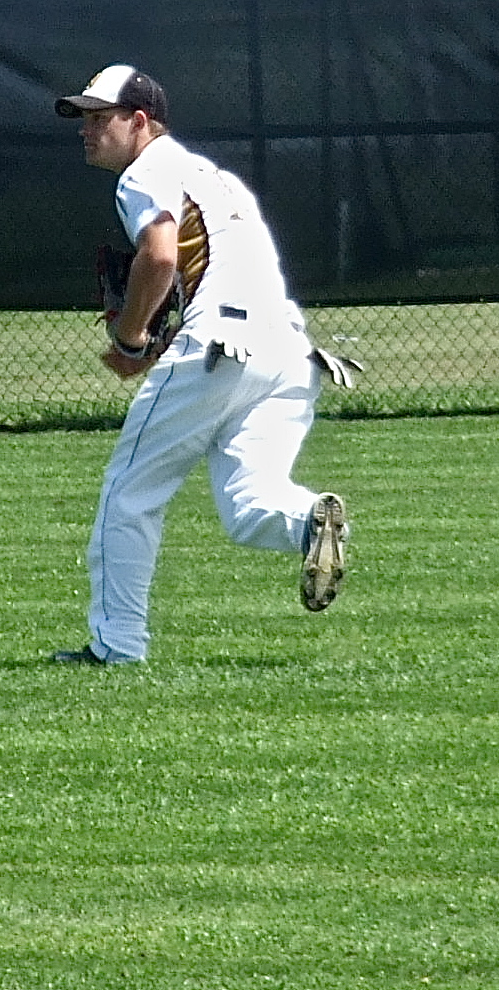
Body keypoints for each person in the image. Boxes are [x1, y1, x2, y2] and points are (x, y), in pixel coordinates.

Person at [50, 64, 349, 666]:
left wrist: (131, 339)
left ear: (139, 121)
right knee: (251, 501)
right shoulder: (217, 179)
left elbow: (160, 256)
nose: (86, 129)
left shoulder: (145, 172)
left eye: (99, 117)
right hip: (291, 352)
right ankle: (308, 520)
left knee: (129, 495)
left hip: (221, 344)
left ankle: (117, 647)